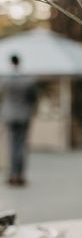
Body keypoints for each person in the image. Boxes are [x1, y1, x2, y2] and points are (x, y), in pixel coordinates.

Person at [0, 55, 38, 186]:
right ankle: (20, 175)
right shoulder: (28, 81)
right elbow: (33, 99)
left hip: (9, 116)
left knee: (11, 146)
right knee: (21, 146)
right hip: (24, 116)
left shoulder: (4, 81)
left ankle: (12, 175)